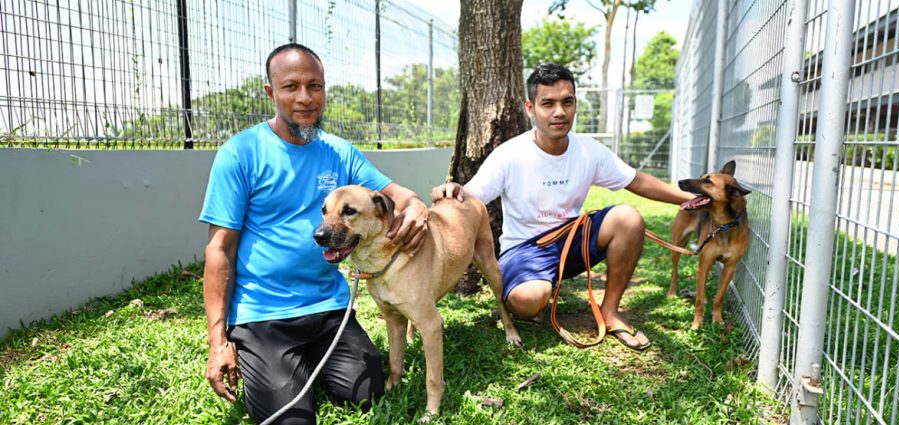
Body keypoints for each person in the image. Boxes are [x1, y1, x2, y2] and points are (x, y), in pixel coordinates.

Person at [199, 43, 429, 424]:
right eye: (291, 87)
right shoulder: (240, 153)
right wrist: (217, 342)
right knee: (291, 419)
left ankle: (304, 364)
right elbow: (219, 248)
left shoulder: (339, 152)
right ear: (271, 93)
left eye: (315, 86)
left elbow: (395, 193)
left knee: (368, 392)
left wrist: (417, 205)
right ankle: (278, 364)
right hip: (263, 316)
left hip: (328, 308)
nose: (305, 98)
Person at [431, 63, 693, 351]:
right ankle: (533, 291)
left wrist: (688, 199)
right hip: (524, 250)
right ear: (530, 108)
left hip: (571, 241)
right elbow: (470, 196)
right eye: (548, 104)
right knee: (529, 301)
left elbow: (637, 181)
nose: (559, 112)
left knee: (627, 218)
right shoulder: (509, 154)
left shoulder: (589, 150)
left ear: (575, 104)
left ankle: (610, 312)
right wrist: (453, 191)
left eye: (567, 102)